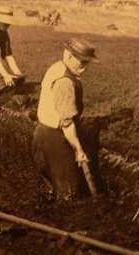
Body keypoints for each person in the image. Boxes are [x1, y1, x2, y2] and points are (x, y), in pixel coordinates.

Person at [33, 38, 99, 200]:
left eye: (87, 63)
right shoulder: (65, 83)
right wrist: (79, 150)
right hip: (55, 139)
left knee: (52, 185)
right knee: (69, 193)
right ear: (69, 56)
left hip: (40, 133)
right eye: (81, 63)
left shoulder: (57, 67)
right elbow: (67, 123)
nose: (84, 68)